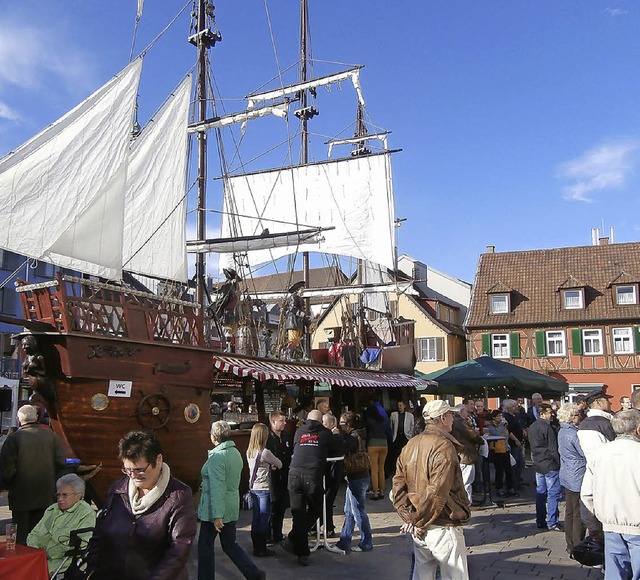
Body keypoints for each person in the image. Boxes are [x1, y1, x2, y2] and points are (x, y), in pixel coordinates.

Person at [87, 430, 196, 580]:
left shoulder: (179, 496)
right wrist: (93, 570)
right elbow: (99, 534)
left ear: (158, 460)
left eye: (139, 470)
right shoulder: (118, 490)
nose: (133, 476)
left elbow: (179, 550)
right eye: (127, 470)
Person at [392, 400, 470, 580]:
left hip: (422, 525)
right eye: (451, 414)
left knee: (422, 574)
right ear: (442, 418)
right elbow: (436, 492)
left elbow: (398, 488)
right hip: (441, 523)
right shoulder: (443, 446)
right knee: (454, 576)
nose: (453, 418)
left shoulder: (410, 444)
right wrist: (416, 521)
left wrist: (411, 519)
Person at [198, 420, 265, 580]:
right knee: (230, 545)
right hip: (230, 506)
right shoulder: (235, 453)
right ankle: (253, 573)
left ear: (214, 437)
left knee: (205, 548)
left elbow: (217, 487)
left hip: (214, 511)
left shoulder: (216, 457)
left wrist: (217, 515)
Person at [581, 409, 640, 577]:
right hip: (636, 524)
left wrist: (597, 520)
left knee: (615, 573)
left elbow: (586, 494)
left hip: (610, 525)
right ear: (638, 429)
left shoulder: (599, 453)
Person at [283, 409, 343, 566]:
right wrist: (335, 435)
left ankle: (301, 551)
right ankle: (293, 539)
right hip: (312, 476)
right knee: (316, 509)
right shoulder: (325, 433)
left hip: (294, 475)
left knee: (298, 514)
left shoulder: (298, 432)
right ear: (320, 421)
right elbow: (338, 449)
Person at [0, 404, 66, 544]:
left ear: (18, 419)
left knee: (21, 536)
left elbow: (7, 469)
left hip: (21, 494)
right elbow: (61, 462)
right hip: (45, 493)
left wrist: (8, 484)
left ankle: (22, 564)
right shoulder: (51, 436)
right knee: (41, 533)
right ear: (36, 417)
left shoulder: (14, 438)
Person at [27, 473, 96, 577]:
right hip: (38, 558)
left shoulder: (86, 513)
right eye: (58, 495)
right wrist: (36, 551)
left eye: (65, 495)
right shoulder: (52, 510)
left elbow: (83, 542)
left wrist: (50, 552)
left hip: (62, 562)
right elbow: (34, 534)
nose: (60, 498)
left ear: (78, 496)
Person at [577, 389, 615, 540]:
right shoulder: (606, 423)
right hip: (608, 473)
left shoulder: (584, 423)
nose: (610, 402)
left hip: (592, 470)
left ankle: (595, 535)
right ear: (599, 402)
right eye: (607, 400)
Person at [335, 411, 373, 553]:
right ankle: (344, 541)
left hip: (357, 477)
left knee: (358, 511)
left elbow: (342, 448)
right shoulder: (359, 434)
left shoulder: (352, 437)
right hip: (359, 476)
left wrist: (337, 435)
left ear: (348, 425)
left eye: (342, 424)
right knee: (349, 510)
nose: (340, 426)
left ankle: (367, 542)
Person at [246, 422, 282, 557]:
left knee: (256, 517)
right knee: (263, 518)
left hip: (253, 487)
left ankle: (256, 546)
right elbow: (280, 463)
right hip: (264, 489)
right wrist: (272, 465)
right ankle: (261, 548)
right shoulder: (265, 452)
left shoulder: (249, 451)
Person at [556, 402, 586, 555]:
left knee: (569, 511)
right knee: (578, 512)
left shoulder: (562, 431)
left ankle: (570, 543)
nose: (579, 417)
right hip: (577, 473)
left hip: (567, 473)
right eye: (576, 415)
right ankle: (577, 545)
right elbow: (583, 452)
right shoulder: (574, 434)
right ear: (570, 417)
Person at [528, 403, 562, 531]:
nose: (551, 415)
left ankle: (540, 520)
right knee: (553, 493)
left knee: (541, 492)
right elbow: (553, 448)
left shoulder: (532, 427)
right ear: (542, 413)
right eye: (549, 413)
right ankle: (552, 521)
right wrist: (559, 463)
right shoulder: (547, 428)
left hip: (538, 463)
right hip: (549, 463)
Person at [266, 410, 293, 545]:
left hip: (285, 475)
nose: (284, 423)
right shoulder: (267, 438)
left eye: (285, 420)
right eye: (281, 421)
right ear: (273, 422)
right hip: (272, 477)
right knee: (272, 506)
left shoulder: (287, 436)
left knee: (282, 506)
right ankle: (268, 534)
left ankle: (277, 533)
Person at [450, 404, 483, 503]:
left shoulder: (454, 421)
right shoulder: (460, 422)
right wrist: (481, 440)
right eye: (465, 411)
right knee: (467, 479)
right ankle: (467, 502)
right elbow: (471, 434)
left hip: (460, 452)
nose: (467, 413)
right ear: (461, 411)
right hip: (465, 453)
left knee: (464, 478)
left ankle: (464, 500)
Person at [319, 413, 343, 537]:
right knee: (324, 501)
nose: (322, 425)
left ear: (331, 424)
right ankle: (319, 526)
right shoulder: (328, 436)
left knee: (327, 502)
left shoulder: (335, 437)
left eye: (324, 422)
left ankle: (329, 528)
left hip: (333, 474)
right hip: (327, 474)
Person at [486, 410, 517, 497]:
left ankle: (510, 488)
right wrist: (501, 425)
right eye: (499, 416)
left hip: (505, 450)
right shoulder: (491, 427)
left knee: (509, 470)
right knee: (499, 471)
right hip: (497, 451)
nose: (501, 418)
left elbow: (507, 435)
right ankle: (499, 489)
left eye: (501, 416)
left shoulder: (504, 426)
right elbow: (497, 434)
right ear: (494, 418)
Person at [364, 398, 390, 501]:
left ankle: (375, 493)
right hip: (384, 443)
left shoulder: (369, 419)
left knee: (374, 469)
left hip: (373, 443)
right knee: (381, 468)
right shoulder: (383, 420)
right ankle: (382, 491)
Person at [387, 400, 414, 479]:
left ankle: (405, 470)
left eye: (401, 405)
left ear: (404, 406)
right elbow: (391, 426)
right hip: (396, 437)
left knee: (405, 454)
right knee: (395, 454)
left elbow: (412, 426)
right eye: (398, 405)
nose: (399, 407)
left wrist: (409, 435)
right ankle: (396, 470)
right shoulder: (393, 415)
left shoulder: (410, 415)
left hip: (406, 437)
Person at [502, 399, 526, 488]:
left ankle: (518, 479)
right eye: (514, 406)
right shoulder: (506, 417)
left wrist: (523, 430)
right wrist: (516, 440)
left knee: (521, 463)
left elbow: (519, 425)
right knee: (514, 463)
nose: (516, 407)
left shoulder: (516, 415)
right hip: (512, 442)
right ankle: (512, 483)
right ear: (509, 408)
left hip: (520, 440)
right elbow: (508, 430)